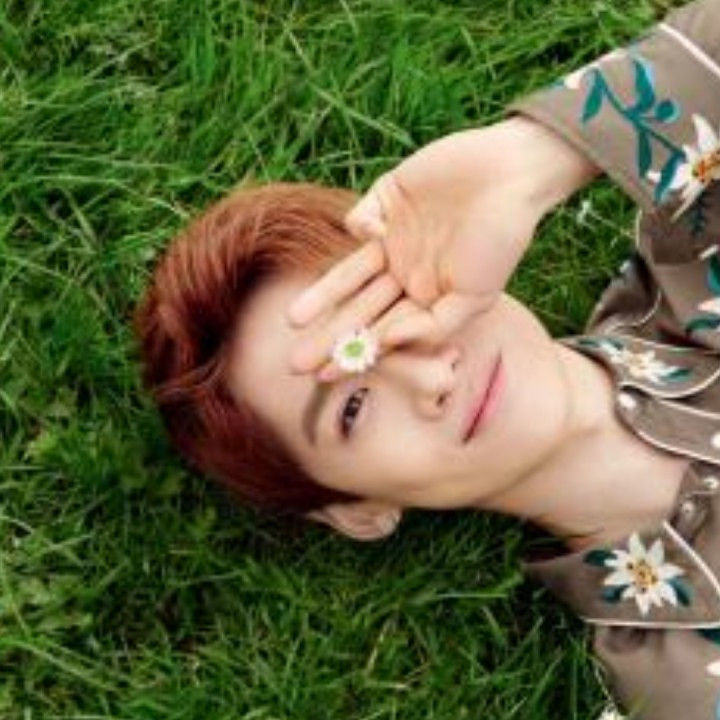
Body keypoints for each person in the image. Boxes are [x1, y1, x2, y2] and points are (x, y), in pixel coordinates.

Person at [133, 0, 720, 717]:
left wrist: (535, 161)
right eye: (353, 407)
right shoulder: (681, 689)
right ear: (355, 511)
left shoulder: (698, 254)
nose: (431, 374)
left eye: (392, 311)